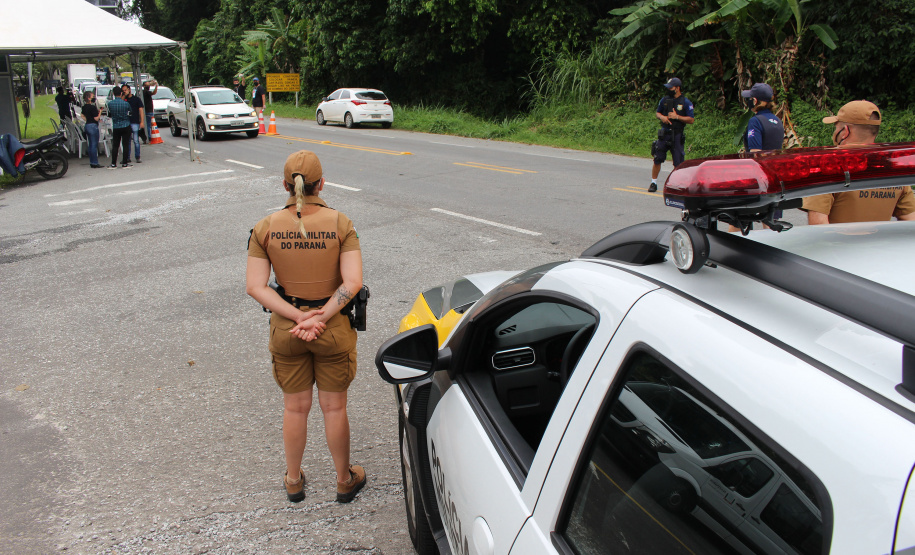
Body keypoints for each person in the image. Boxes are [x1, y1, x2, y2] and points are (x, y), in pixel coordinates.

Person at [246, 150, 367, 504]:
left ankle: (294, 480)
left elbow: (256, 286)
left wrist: (299, 317)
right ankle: (344, 480)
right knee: (334, 408)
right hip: (332, 327)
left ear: (285, 185)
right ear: (322, 183)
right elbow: (352, 283)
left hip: (289, 328)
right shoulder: (341, 223)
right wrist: (320, 317)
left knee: (295, 408)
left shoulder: (265, 227)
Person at [802, 100, 915, 224]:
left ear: (845, 132)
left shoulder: (830, 166)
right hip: (878, 243)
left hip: (841, 243)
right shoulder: (891, 167)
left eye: (836, 128)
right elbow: (910, 220)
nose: (834, 133)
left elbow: (818, 224)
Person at [648, 77, 695, 192]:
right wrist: (662, 117)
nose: (669, 90)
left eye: (671, 88)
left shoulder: (686, 102)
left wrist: (677, 117)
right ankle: (653, 183)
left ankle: (677, 185)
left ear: (677, 88)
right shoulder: (664, 99)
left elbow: (691, 119)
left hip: (677, 134)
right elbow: (657, 113)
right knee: (657, 158)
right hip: (664, 133)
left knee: (678, 162)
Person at [742, 83, 784, 152]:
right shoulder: (778, 120)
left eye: (750, 98)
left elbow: (755, 153)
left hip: (761, 162)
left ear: (755, 101)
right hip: (775, 161)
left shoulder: (755, 121)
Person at [107, 87, 133, 168]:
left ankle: (113, 163)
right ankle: (125, 162)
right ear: (121, 93)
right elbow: (130, 113)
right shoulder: (126, 103)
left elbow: (109, 114)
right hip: (125, 125)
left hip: (116, 126)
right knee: (125, 144)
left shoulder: (110, 104)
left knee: (115, 145)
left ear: (113, 94)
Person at [122, 84, 145, 163]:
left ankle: (137, 156)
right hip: (126, 122)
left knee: (136, 140)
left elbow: (141, 110)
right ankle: (127, 157)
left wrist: (142, 121)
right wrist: (123, 97)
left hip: (135, 121)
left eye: (125, 90)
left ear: (129, 90)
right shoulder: (124, 100)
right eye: (123, 91)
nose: (124, 92)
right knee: (127, 141)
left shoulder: (136, 99)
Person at [80, 90, 102, 169]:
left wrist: (87, 119)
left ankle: (91, 161)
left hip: (87, 125)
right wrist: (100, 112)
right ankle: (95, 162)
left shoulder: (84, 107)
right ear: (89, 98)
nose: (94, 98)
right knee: (94, 145)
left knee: (90, 145)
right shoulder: (92, 107)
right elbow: (96, 118)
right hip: (93, 126)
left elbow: (82, 115)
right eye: (92, 97)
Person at [142, 80, 158, 144]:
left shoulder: (143, 92)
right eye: (147, 85)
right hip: (148, 110)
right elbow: (153, 93)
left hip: (146, 110)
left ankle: (147, 137)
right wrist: (156, 87)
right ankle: (149, 137)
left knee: (148, 125)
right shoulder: (146, 92)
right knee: (149, 125)